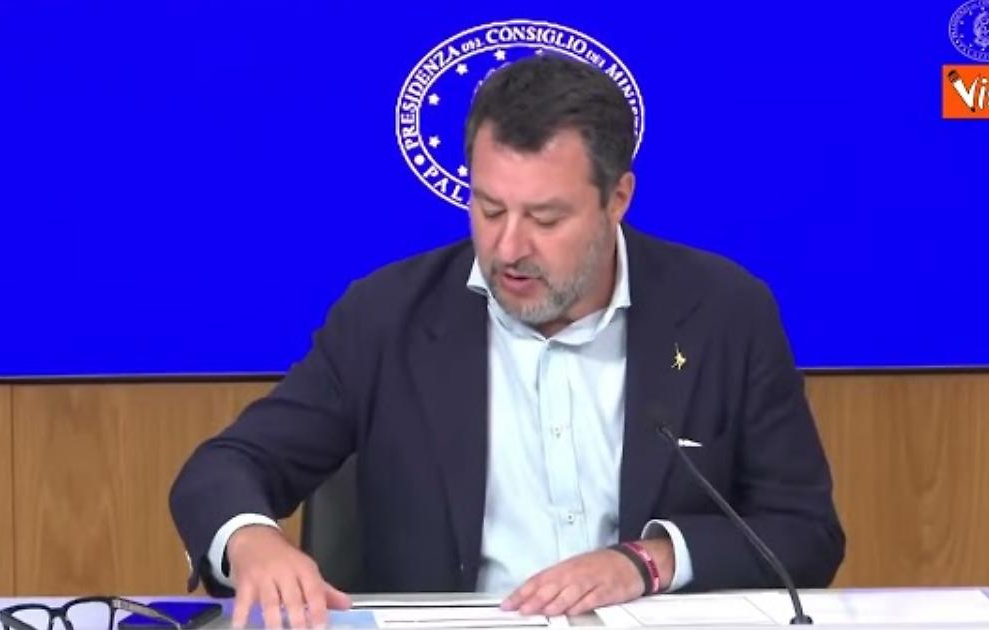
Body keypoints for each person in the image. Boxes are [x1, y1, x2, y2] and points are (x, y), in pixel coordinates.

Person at [170, 53, 845, 629]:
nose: (509, 247)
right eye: (489, 209)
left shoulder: (723, 312)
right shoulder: (387, 316)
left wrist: (650, 561)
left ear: (617, 200)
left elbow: (805, 532)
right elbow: (225, 467)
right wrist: (252, 540)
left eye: (545, 218)